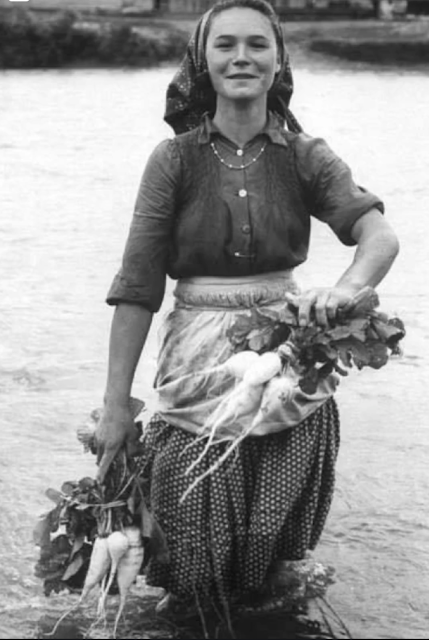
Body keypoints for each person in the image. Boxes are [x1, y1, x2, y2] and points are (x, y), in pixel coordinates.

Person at [96, 0, 399, 618]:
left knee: (274, 554)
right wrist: (115, 405)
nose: (241, 57)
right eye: (225, 44)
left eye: (257, 45)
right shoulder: (173, 160)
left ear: (279, 60)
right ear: (201, 61)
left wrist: (345, 290)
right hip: (196, 362)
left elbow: (379, 237)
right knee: (189, 551)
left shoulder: (305, 155)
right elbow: (137, 287)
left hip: (288, 359)